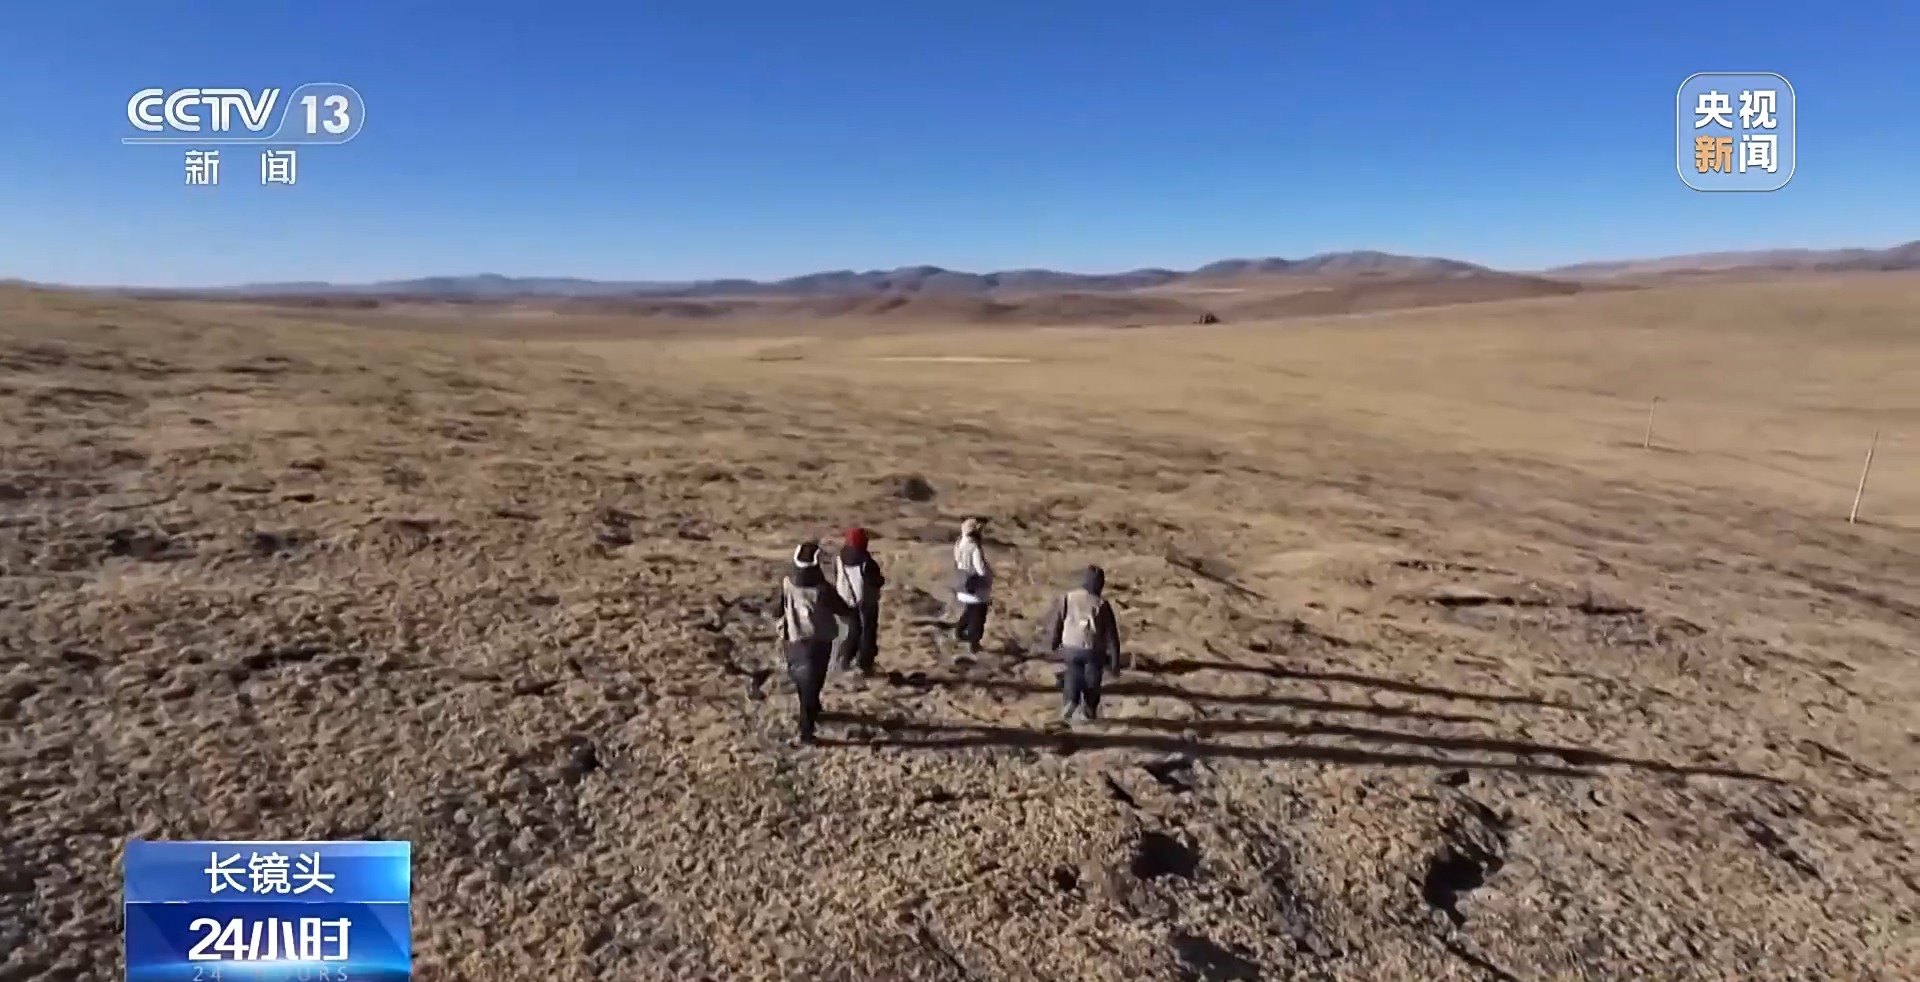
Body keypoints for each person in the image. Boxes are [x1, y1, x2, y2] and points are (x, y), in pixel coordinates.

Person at [776, 541, 853, 744]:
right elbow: (842, 609)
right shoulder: (822, 589)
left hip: (793, 639)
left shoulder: (787, 583)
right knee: (814, 681)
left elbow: (778, 609)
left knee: (804, 682)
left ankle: (812, 711)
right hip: (818, 641)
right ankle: (806, 730)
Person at [1036, 565, 1125, 723]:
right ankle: (1089, 709)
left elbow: (1058, 621)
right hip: (1092, 648)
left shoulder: (1068, 598)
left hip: (1070, 646)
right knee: (1092, 679)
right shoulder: (1101, 604)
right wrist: (1115, 661)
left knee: (1073, 674)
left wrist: (1054, 642)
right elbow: (1112, 636)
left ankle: (1071, 701)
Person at [832, 526, 887, 675]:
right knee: (867, 632)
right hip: (865, 602)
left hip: (844, 598)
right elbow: (877, 581)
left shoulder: (840, 558)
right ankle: (865, 664)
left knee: (853, 631)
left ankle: (844, 661)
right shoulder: (866, 562)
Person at [950, 517, 993, 655]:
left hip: (964, 584)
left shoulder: (958, 544)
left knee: (970, 610)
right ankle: (974, 643)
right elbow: (980, 569)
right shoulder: (974, 547)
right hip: (977, 587)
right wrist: (989, 574)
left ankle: (959, 631)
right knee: (978, 616)